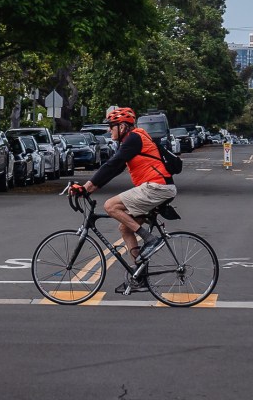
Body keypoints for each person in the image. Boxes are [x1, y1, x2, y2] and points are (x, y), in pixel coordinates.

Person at [71, 106, 177, 294]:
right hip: (156, 188)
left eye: (111, 126)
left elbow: (113, 164)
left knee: (110, 206)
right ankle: (140, 277)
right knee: (125, 228)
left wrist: (86, 187)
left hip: (157, 187)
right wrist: (91, 188)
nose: (109, 130)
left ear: (123, 126)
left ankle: (149, 239)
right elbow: (115, 168)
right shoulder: (131, 140)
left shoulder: (134, 138)